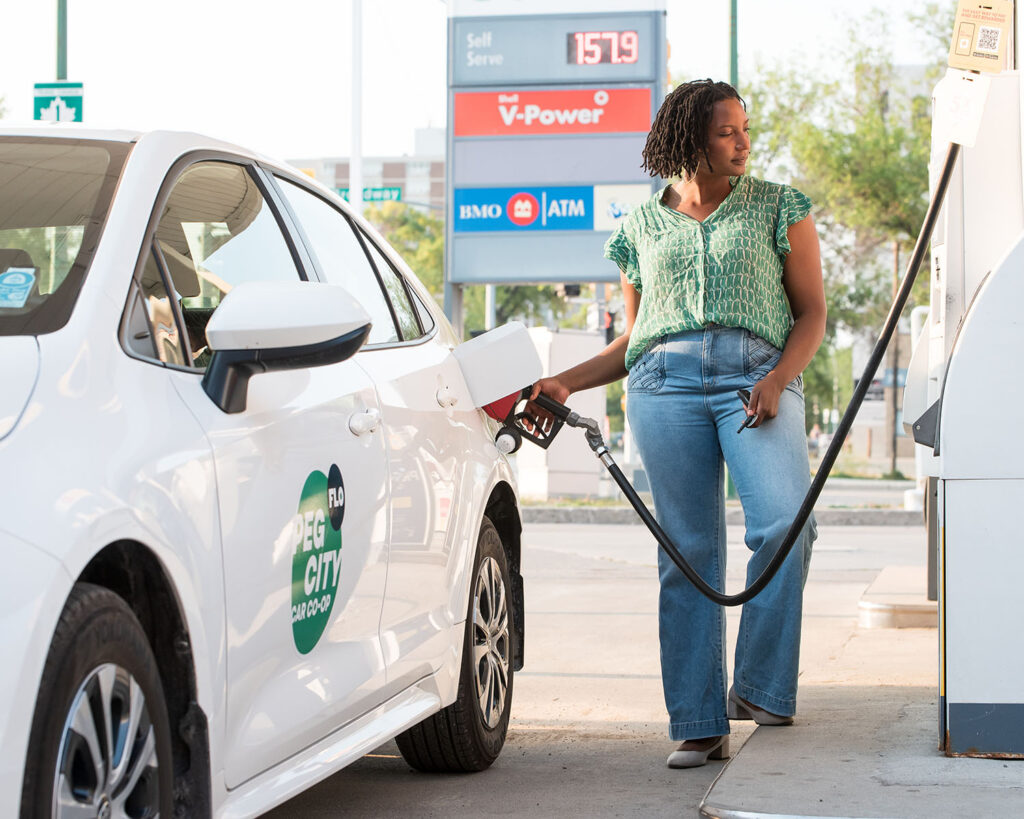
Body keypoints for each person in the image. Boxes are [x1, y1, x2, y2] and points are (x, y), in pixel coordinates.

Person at [530, 79, 825, 769]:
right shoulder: (638, 229)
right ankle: (698, 721)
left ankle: (757, 683)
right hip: (662, 384)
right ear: (691, 140)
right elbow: (632, 341)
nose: (744, 141)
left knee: (788, 520)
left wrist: (779, 377)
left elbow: (810, 312)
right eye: (728, 131)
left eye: (746, 129)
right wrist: (565, 381)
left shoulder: (779, 206)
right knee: (687, 552)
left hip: (757, 378)